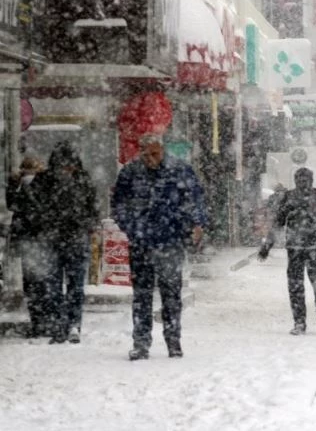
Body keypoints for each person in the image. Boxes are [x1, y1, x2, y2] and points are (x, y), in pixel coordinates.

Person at [111, 133, 208, 360]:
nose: (150, 158)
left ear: (162, 150)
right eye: (146, 154)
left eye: (154, 153)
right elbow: (118, 205)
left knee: (171, 295)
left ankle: (173, 341)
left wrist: (196, 224)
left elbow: (195, 199)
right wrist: (132, 228)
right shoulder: (130, 173)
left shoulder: (179, 171)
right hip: (141, 243)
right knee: (142, 295)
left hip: (171, 242)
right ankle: (141, 342)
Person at [31, 142, 99, 344]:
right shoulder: (46, 182)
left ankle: (71, 324)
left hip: (70, 238)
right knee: (54, 286)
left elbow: (93, 211)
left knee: (73, 285)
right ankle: (62, 324)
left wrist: (83, 222)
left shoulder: (80, 181)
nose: (68, 170)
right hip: (56, 239)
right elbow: (34, 209)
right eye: (64, 165)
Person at [273, 167, 316, 335]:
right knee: (300, 286)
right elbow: (279, 221)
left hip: (312, 247)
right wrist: (268, 243)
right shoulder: (291, 196)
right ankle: (302, 322)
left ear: (311, 180)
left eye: (305, 179)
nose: (303, 183)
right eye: (300, 179)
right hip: (298, 247)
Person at [7, 156, 47, 337]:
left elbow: (12, 205)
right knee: (42, 282)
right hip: (41, 238)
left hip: (28, 237)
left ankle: (38, 322)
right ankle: (43, 321)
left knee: (32, 283)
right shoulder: (42, 185)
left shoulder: (20, 187)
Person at [257, 183, 287, 260]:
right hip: (279, 220)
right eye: (278, 191)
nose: (279, 193)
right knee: (272, 237)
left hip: (278, 220)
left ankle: (264, 252)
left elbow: (269, 207)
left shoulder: (274, 198)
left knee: (271, 237)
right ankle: (264, 252)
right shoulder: (282, 197)